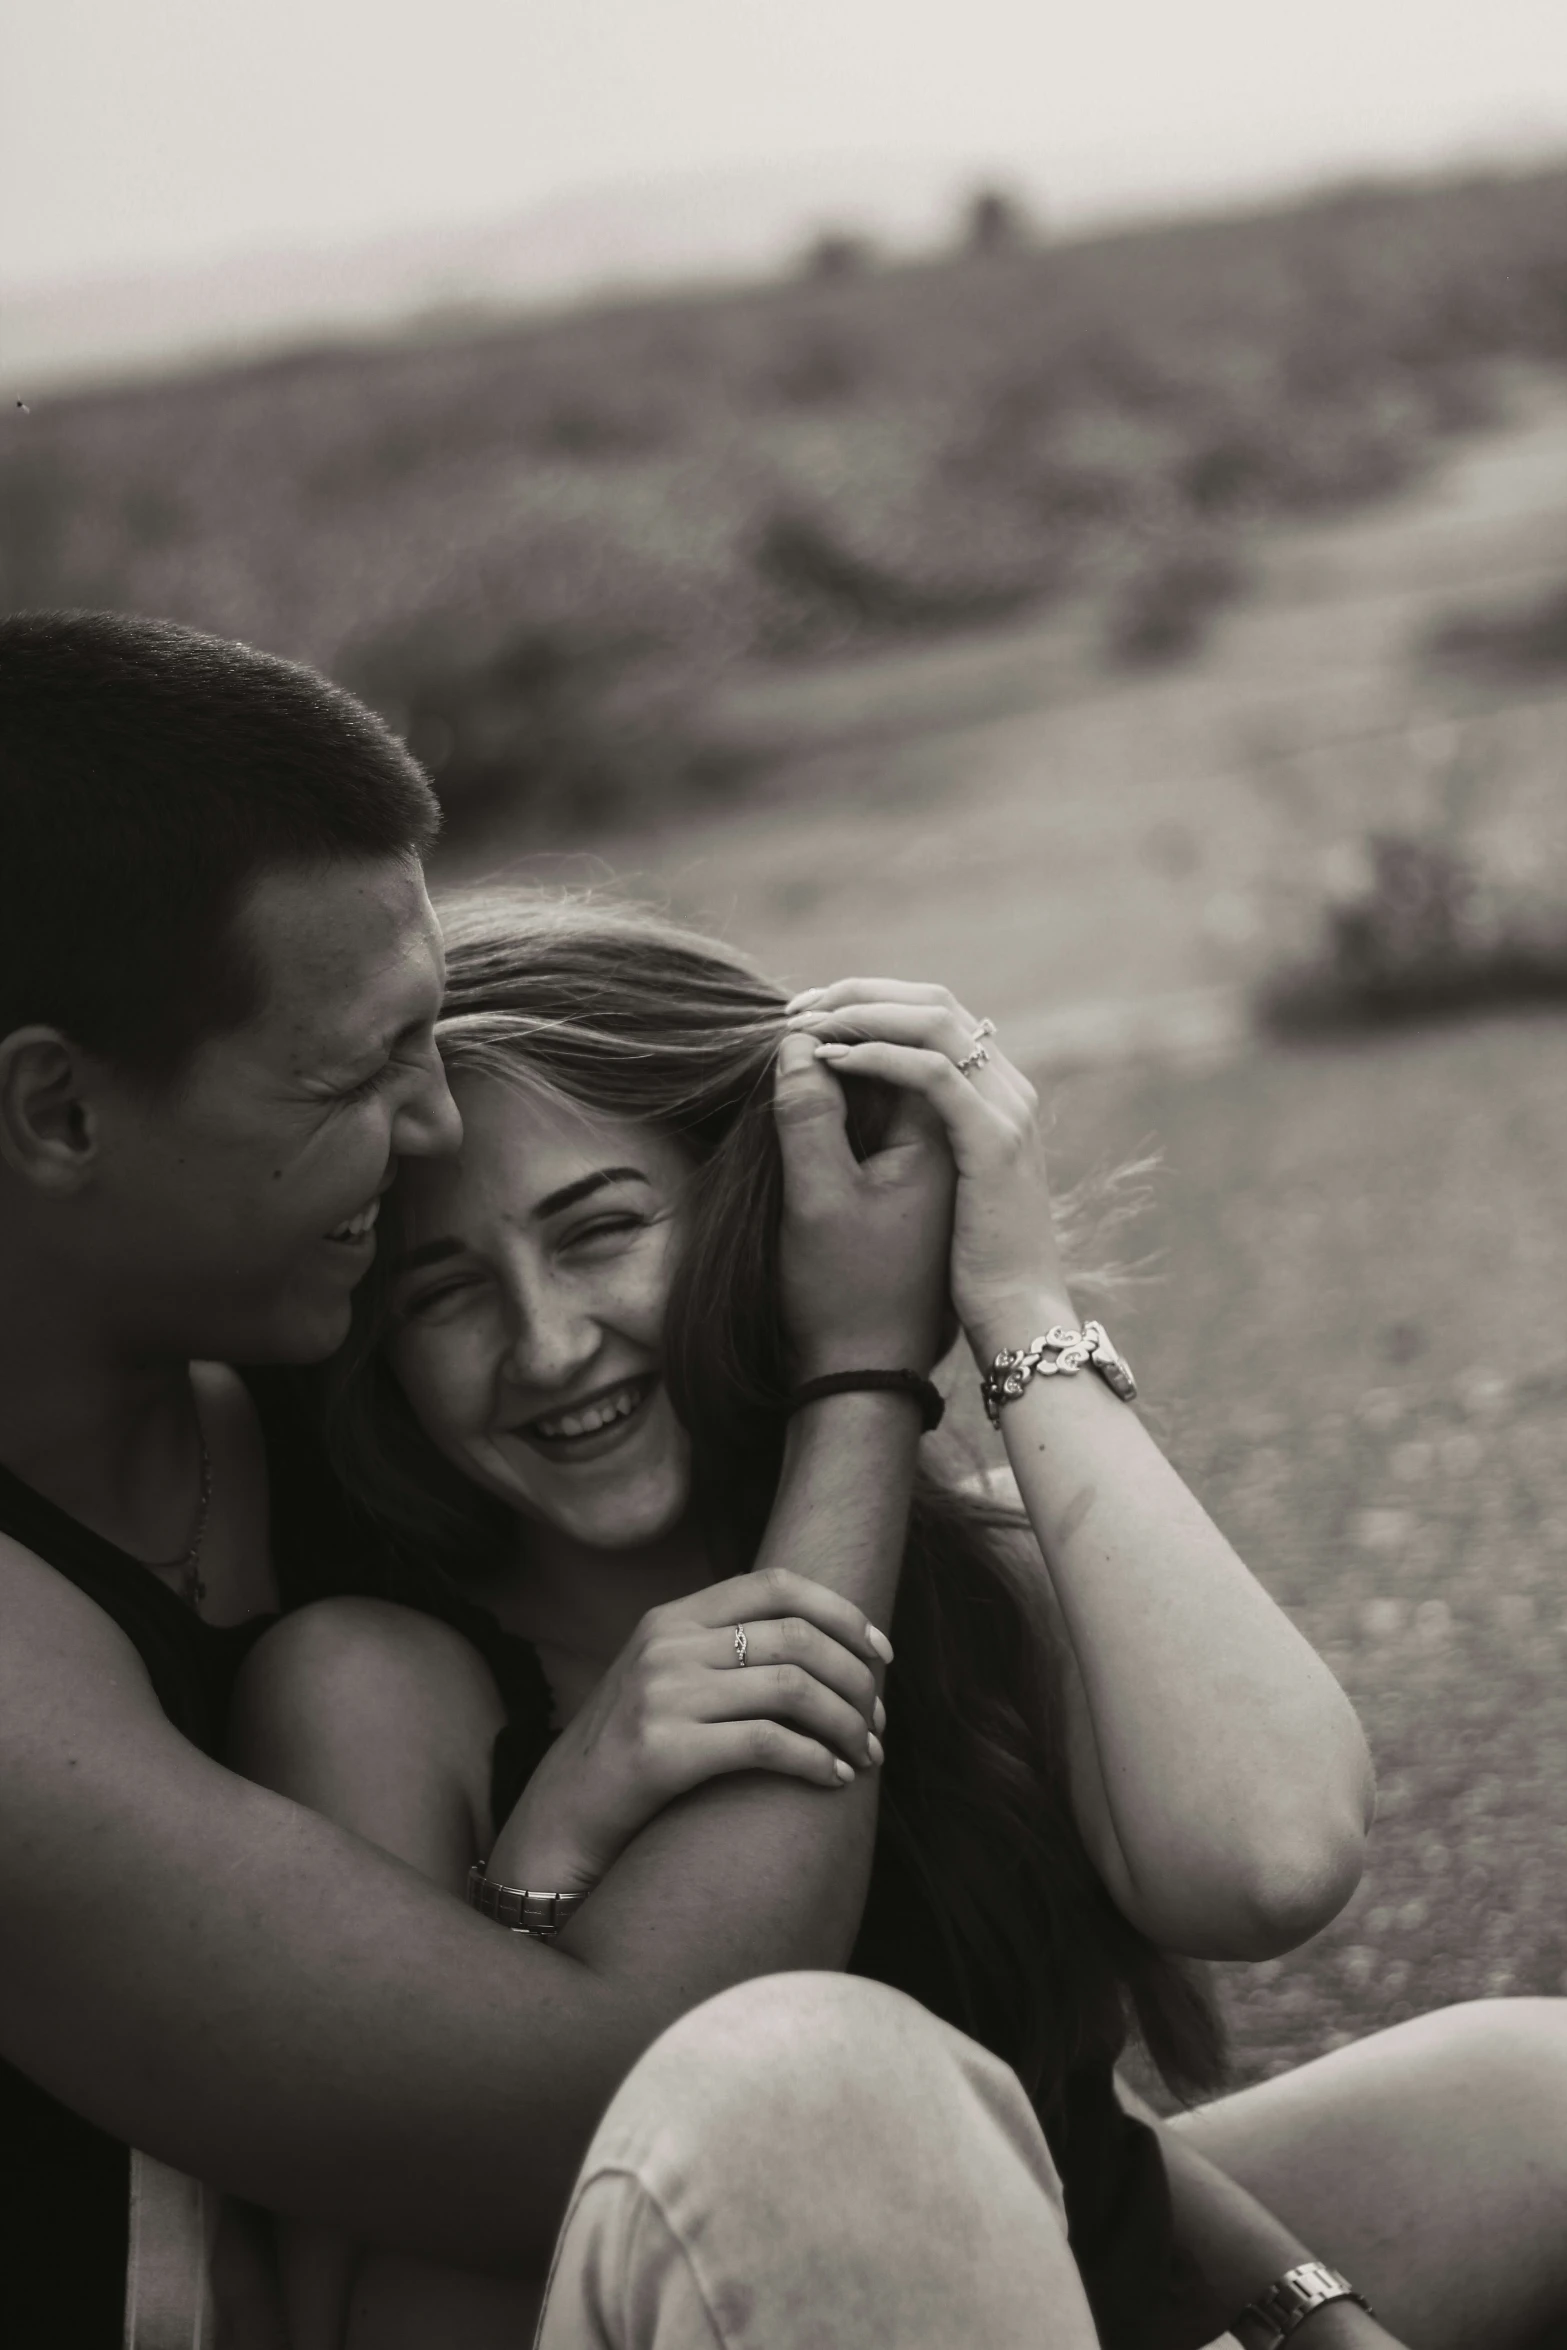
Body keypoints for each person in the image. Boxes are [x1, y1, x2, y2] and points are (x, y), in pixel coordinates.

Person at [237, 888, 1567, 2350]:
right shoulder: (375, 1683)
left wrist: (1006, 1294)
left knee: (1539, 2087)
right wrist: (550, 1848)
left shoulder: (946, 1573)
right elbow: (389, 2270)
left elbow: (1261, 1864)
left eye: (601, 1231)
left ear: (764, 1217)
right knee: (821, 2079)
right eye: (445, 1294)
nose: (549, 1343)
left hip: (1034, 2283)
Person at [0, 611, 1006, 2346]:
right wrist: (859, 1379)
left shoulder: (303, 1365)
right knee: (823, 2103)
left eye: (429, 1038)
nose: (437, 1130)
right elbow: (656, 2097)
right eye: (358, 1072)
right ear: (58, 1114)